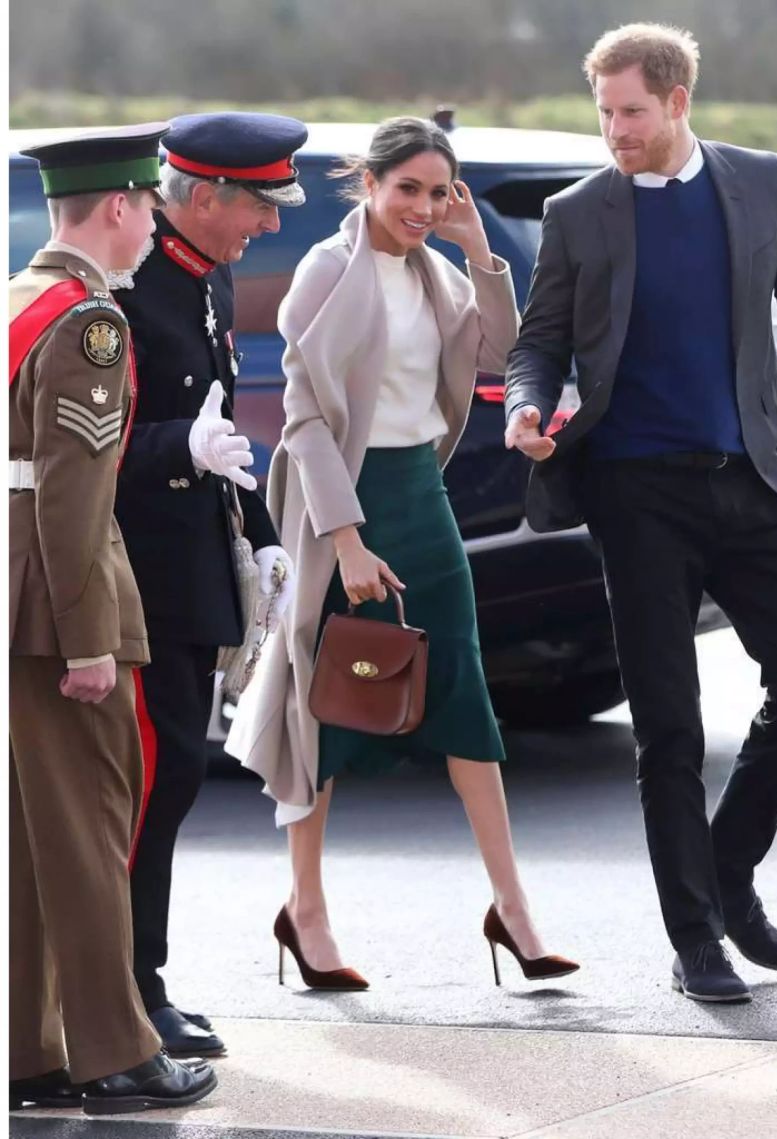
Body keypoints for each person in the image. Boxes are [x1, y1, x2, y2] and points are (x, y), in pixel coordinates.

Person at [504, 23, 777, 1003]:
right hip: (637, 497)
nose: (614, 131)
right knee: (668, 725)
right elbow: (538, 343)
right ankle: (697, 938)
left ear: (677, 102)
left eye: (629, 112)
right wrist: (526, 405)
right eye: (603, 113)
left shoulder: (760, 182)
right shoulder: (580, 211)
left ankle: (727, 875)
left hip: (749, 483)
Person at [227, 117, 578, 989]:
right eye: (407, 189)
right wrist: (346, 542)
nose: (422, 207)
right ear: (370, 184)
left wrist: (478, 252)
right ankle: (305, 912)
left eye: (437, 191)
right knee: (326, 704)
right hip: (341, 504)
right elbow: (304, 418)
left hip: (421, 496)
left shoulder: (435, 274)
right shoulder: (325, 271)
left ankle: (514, 908)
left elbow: (500, 349)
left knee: (463, 694)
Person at [10, 124, 216, 1114]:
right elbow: (72, 495)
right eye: (150, 204)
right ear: (123, 207)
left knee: (31, 835)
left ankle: (31, 1047)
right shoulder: (92, 322)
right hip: (58, 608)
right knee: (92, 831)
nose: (153, 222)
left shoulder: (19, 296)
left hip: (15, 594)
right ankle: (114, 1053)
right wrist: (89, 636)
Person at [113, 112, 305, 1056]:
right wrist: (176, 450)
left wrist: (263, 534)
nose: (268, 226)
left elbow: (219, 419)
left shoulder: (205, 276)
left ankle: (139, 982)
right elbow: (75, 447)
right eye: (258, 207)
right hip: (134, 577)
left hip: (192, 572)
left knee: (177, 775)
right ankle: (126, 992)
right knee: (150, 783)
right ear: (200, 196)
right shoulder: (130, 284)